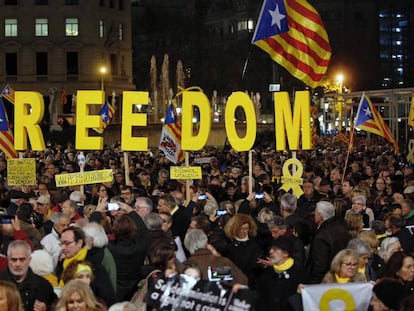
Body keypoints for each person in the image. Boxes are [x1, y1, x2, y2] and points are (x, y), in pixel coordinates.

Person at [57, 226, 116, 307]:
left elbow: (108, 299)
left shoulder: (93, 266)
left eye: (67, 243)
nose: (63, 247)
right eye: (61, 243)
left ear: (79, 243)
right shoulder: (62, 263)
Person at [256, 235, 309, 311]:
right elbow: (260, 300)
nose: (270, 252)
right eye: (271, 248)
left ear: (285, 253)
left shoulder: (299, 274)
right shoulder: (267, 272)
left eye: (275, 249)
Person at [0, 240, 57, 311]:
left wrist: (46, 309)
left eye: (22, 259)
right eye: (14, 260)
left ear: (29, 260)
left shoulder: (43, 285)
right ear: (8, 260)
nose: (18, 264)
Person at [307, 200, 351, 283]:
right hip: (343, 276)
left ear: (320, 216)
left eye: (316, 212)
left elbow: (319, 264)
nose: (314, 215)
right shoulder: (343, 230)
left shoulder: (322, 236)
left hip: (326, 280)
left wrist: (314, 284)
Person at [183, 229, 248, 285]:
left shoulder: (185, 266)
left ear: (187, 246)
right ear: (206, 242)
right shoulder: (222, 262)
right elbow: (243, 281)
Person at [223, 213, 263, 287]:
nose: (244, 231)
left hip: (249, 282)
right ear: (235, 229)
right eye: (242, 228)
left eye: (246, 228)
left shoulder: (254, 244)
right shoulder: (227, 244)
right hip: (231, 281)